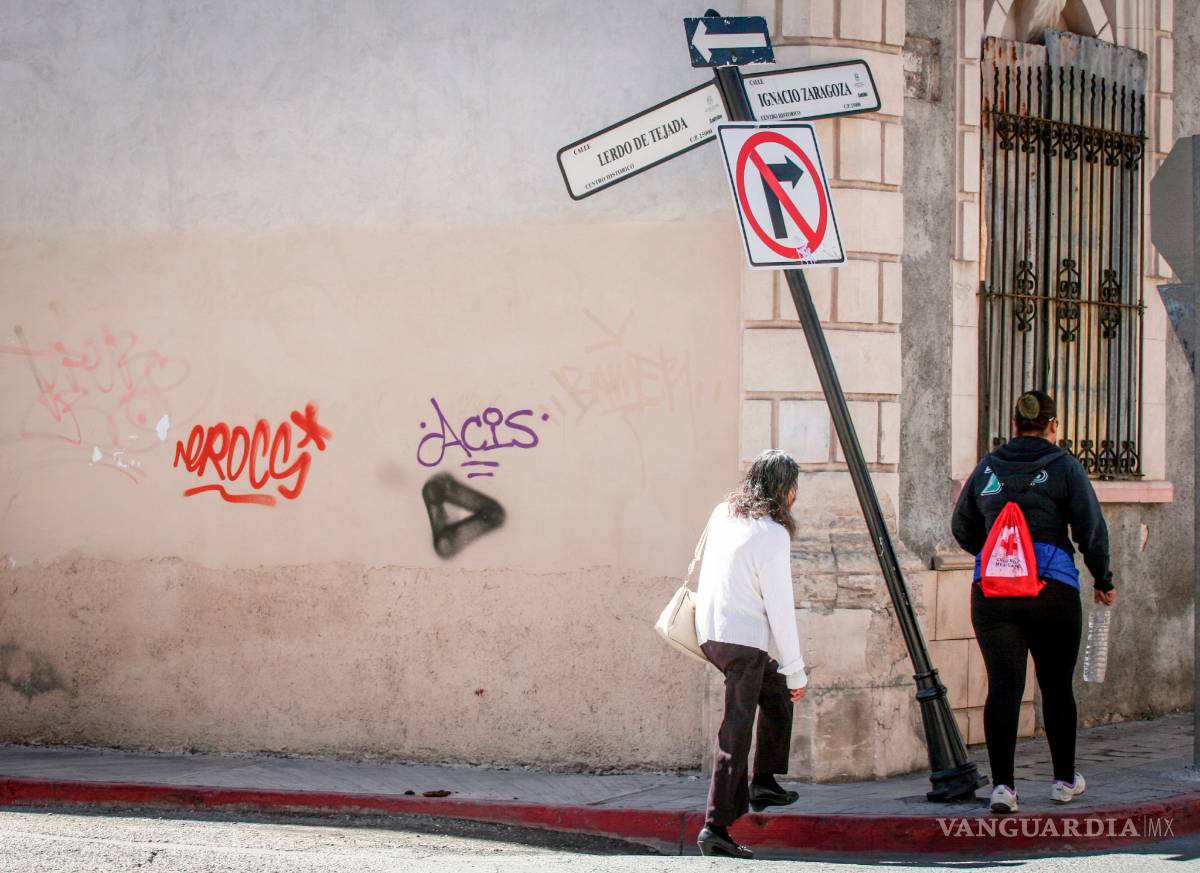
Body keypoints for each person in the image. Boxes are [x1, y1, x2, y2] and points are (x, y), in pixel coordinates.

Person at [951, 391, 1115, 814]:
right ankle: (1063, 780)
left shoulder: (989, 467)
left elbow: (962, 525)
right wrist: (1103, 578)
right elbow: (1089, 527)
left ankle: (1003, 787)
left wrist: (998, 556)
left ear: (1014, 422)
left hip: (992, 593)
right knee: (1057, 687)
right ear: (1053, 425)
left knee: (1003, 687)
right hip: (1052, 589)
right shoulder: (1063, 466)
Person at [693, 449, 808, 859]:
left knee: (773, 691)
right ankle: (715, 826)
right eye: (793, 487)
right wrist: (798, 671)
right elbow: (780, 608)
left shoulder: (724, 512)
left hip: (710, 633)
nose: (795, 496)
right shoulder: (772, 534)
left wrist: (786, 676)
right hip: (742, 641)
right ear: (784, 491)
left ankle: (763, 783)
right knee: (737, 728)